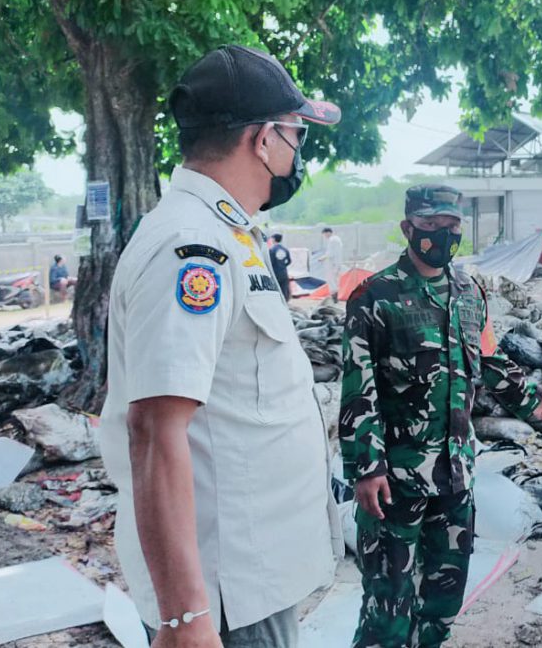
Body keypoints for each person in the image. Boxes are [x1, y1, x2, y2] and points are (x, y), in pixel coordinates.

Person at [99, 44, 342, 648]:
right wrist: (185, 618)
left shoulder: (228, 233)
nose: (297, 151)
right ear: (263, 141)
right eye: (295, 134)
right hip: (226, 591)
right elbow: (154, 431)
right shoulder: (191, 247)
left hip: (251, 577)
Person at [340, 184, 542, 648]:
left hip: (455, 475)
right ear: (408, 228)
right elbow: (357, 388)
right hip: (395, 481)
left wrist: (529, 398)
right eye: (432, 226)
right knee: (388, 605)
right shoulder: (373, 297)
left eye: (452, 227)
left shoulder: (469, 290)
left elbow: (488, 358)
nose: (443, 236)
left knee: (442, 598)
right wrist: (366, 467)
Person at [314, 227, 344, 301]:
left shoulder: (332, 240)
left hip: (332, 263)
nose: (325, 236)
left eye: (325, 234)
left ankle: (334, 296)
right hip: (337, 262)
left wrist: (322, 258)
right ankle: (335, 295)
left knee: (331, 279)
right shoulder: (337, 239)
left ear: (328, 233)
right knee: (335, 279)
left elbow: (330, 253)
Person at [268, 232, 292, 301]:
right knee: (284, 288)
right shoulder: (285, 249)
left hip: (275, 272)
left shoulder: (272, 250)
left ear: (274, 239)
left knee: (276, 288)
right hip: (284, 272)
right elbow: (289, 261)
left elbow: (271, 262)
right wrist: (283, 266)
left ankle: (277, 302)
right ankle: (285, 302)